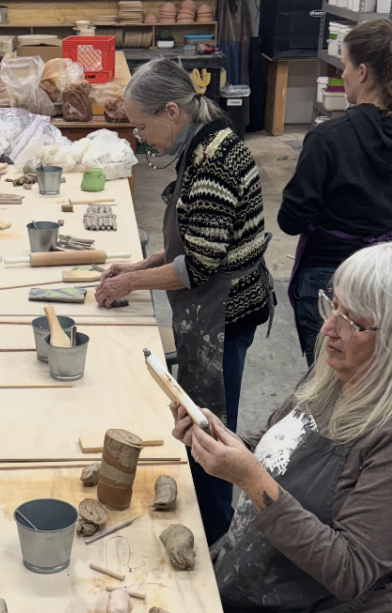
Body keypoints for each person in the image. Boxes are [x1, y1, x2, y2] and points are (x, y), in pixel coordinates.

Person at [173, 240, 392, 612]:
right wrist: (218, 443)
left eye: (352, 321)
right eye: (334, 305)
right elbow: (283, 448)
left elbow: (351, 571)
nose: (328, 327)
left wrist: (249, 478)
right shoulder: (340, 364)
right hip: (259, 578)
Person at [94, 58, 274, 545]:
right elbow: (190, 245)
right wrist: (134, 267)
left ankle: (215, 538)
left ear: (172, 111)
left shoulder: (213, 160)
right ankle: (205, 514)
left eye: (142, 125)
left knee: (211, 429)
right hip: (214, 306)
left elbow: (198, 267)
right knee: (198, 422)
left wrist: (130, 285)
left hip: (226, 314)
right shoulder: (202, 142)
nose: (140, 136)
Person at [279, 19, 392, 365]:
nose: (342, 75)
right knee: (373, 379)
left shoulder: (329, 138)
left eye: (344, 66)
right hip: (385, 281)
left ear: (362, 72)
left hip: (330, 279)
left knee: (327, 382)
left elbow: (292, 219)